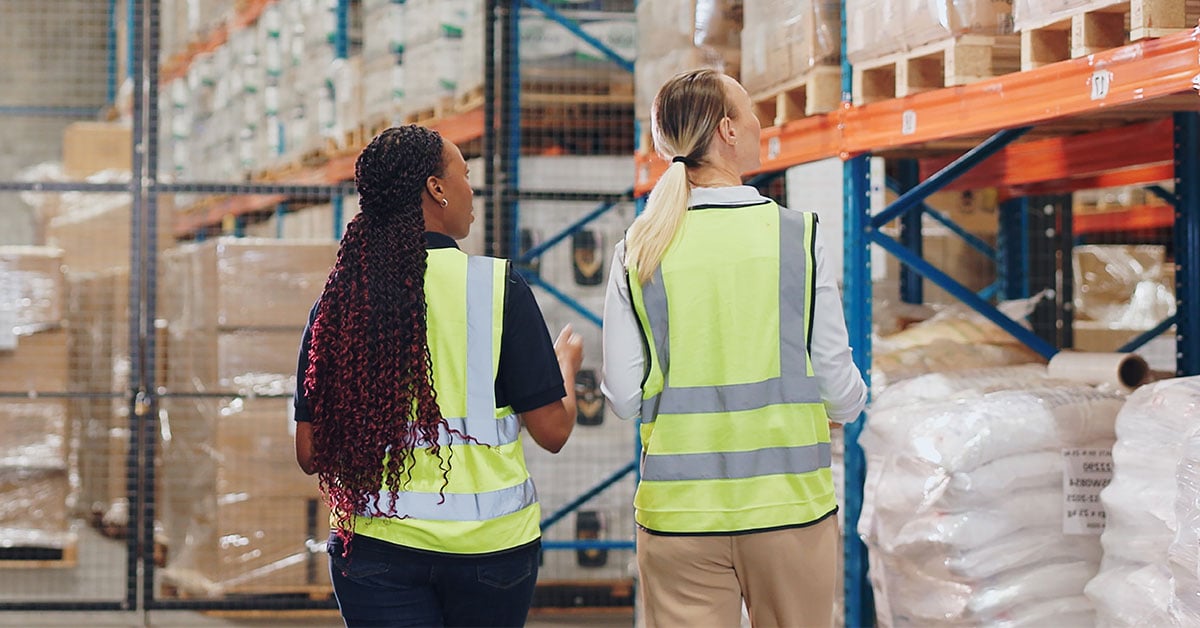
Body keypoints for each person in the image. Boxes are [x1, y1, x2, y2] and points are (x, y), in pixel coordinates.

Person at [601, 69, 868, 627]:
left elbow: (625, 397)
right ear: (726, 130)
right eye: (750, 113)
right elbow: (840, 394)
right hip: (789, 511)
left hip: (678, 517)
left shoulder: (639, 248)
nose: (759, 123)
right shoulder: (797, 236)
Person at [293, 124, 584, 628]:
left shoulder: (341, 300)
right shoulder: (499, 289)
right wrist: (566, 370)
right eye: (465, 175)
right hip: (491, 554)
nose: (472, 190)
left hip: (377, 551)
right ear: (436, 188)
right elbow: (553, 432)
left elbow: (309, 452)